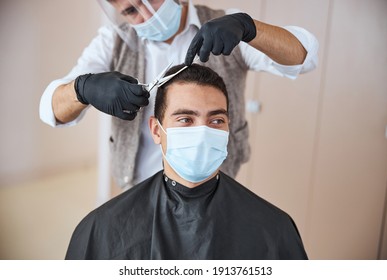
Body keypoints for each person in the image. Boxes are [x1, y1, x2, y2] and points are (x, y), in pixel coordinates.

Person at [39, 0, 319, 189]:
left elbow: (304, 58)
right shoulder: (111, 43)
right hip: (139, 185)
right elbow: (50, 109)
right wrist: (83, 89)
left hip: (215, 187)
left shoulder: (227, 28)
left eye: (152, 0)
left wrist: (249, 29)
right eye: (131, 11)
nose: (148, 16)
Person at [65, 64, 308, 260]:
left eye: (215, 121)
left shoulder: (274, 229)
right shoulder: (102, 229)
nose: (202, 133)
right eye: (185, 119)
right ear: (156, 130)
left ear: (228, 128)